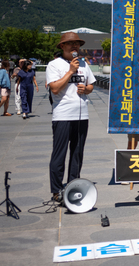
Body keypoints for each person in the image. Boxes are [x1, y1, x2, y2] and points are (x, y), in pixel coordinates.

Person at [47, 32, 96, 201]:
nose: (75, 46)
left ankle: (72, 186)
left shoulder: (83, 63)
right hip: (63, 116)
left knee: (77, 154)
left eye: (77, 44)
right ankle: (56, 190)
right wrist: (70, 71)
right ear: (62, 46)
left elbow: (91, 86)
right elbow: (54, 89)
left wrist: (86, 89)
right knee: (59, 154)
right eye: (70, 44)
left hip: (82, 116)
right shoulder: (54, 65)